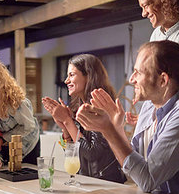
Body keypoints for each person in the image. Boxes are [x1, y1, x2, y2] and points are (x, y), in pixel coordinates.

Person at [76, 41, 179, 194]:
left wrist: (108, 130)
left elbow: (147, 180)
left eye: (138, 72)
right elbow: (134, 168)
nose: (132, 79)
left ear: (163, 80)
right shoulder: (149, 107)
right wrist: (116, 127)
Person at [42, 54, 126, 183]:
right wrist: (65, 127)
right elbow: (73, 154)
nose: (66, 81)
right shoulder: (79, 105)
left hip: (106, 184)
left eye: (71, 75)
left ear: (88, 75)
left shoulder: (100, 105)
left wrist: (67, 121)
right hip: (86, 181)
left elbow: (92, 153)